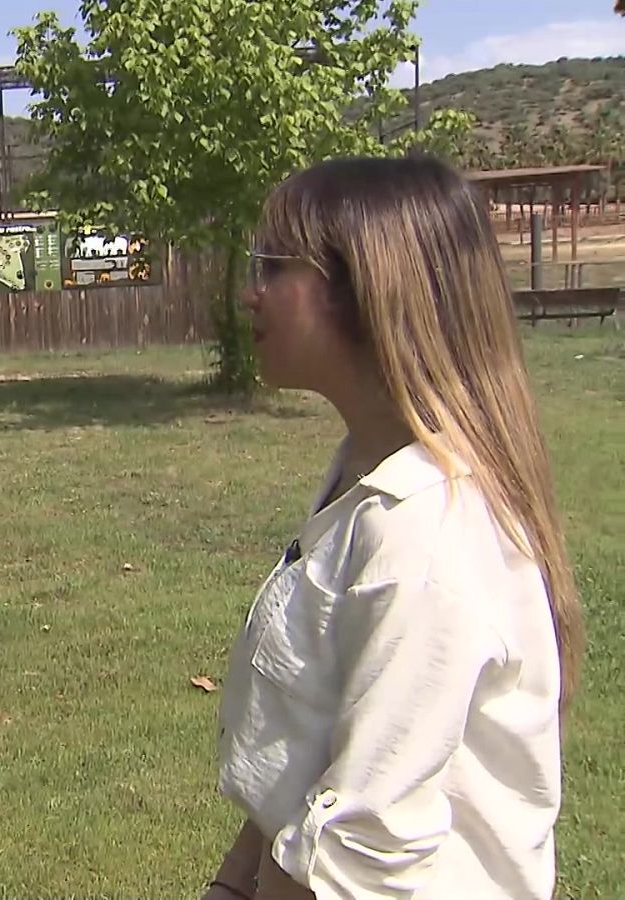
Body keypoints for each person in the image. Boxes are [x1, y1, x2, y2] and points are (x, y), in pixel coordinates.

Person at [204, 155, 584, 900]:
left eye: (275, 266)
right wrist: (230, 883)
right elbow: (313, 751)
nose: (251, 293)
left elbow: (362, 856)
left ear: (369, 289)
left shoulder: (426, 536)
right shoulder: (367, 481)